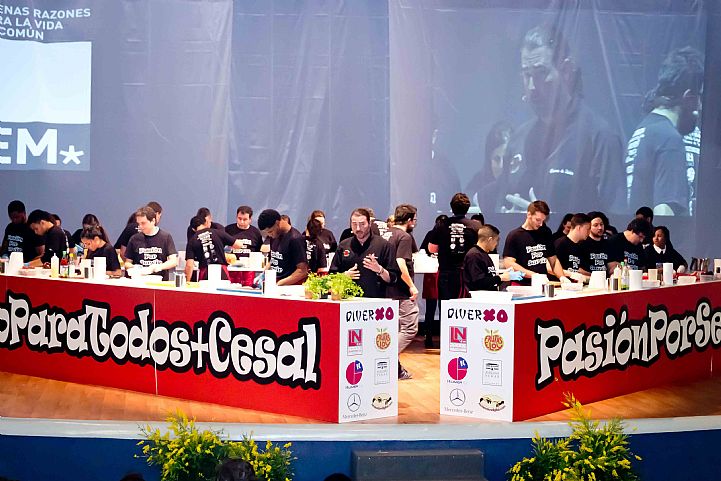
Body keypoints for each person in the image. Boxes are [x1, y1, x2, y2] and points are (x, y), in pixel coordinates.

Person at [497, 24, 626, 214]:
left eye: (541, 73)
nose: (532, 87)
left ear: (566, 71)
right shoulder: (519, 139)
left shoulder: (599, 137)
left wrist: (551, 223)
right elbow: (500, 208)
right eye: (527, 75)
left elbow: (616, 223)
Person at [626, 47, 704, 216]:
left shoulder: (643, 129)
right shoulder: (669, 139)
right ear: (688, 97)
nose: (699, 107)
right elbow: (664, 211)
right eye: (699, 97)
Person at [329, 208, 398, 298]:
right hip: (348, 301)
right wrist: (344, 276)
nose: (358, 228)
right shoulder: (343, 245)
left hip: (376, 301)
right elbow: (331, 276)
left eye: (362, 224)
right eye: (354, 224)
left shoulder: (383, 245)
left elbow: (393, 279)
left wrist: (380, 270)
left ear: (369, 224)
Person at [385, 204, 419, 380]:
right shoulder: (404, 236)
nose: (415, 223)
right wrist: (411, 285)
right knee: (410, 327)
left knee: (392, 329)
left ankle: (394, 367)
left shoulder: (386, 233)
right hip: (400, 289)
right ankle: (386, 357)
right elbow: (400, 262)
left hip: (386, 287)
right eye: (414, 219)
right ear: (409, 220)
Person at [502, 200, 568, 284]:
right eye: (538, 220)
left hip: (542, 284)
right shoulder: (515, 236)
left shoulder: (545, 232)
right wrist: (534, 275)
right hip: (521, 285)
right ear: (529, 215)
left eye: (543, 221)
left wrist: (562, 276)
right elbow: (509, 263)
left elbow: (553, 260)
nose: (540, 224)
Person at [466, 121, 513, 213]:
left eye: (507, 159)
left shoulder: (523, 184)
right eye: (497, 159)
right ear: (489, 161)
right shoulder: (476, 186)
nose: (502, 166)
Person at [186, 215, 248, 281]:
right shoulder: (218, 233)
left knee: (205, 288)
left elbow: (189, 265)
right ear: (206, 223)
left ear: (193, 229)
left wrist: (187, 281)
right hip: (222, 270)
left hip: (205, 272)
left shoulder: (192, 241)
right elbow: (239, 245)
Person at [124, 206, 178, 281]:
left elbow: (173, 261)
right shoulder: (134, 239)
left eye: (143, 223)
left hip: (160, 281)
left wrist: (159, 267)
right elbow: (127, 263)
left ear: (153, 221)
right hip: (140, 281)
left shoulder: (165, 237)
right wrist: (135, 267)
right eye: (139, 224)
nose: (140, 226)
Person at [463, 224, 523, 291]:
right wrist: (500, 278)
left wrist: (505, 276)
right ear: (490, 239)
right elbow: (478, 282)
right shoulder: (474, 255)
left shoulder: (484, 254)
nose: (497, 244)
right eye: (496, 240)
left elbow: (490, 280)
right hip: (479, 296)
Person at [257, 209, 308, 285]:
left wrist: (280, 284)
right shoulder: (275, 235)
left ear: (277, 223)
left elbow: (302, 271)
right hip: (276, 281)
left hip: (290, 286)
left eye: (270, 231)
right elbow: (274, 258)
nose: (269, 235)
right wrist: (264, 273)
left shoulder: (295, 239)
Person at [419, 214, 446, 348]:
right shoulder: (443, 234)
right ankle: (439, 337)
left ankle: (429, 337)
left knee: (432, 308)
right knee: (440, 307)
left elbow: (422, 251)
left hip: (434, 273)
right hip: (438, 273)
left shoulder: (431, 234)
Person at [554, 213, 592, 281]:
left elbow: (578, 269)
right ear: (579, 228)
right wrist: (570, 274)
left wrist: (592, 276)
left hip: (575, 284)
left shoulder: (581, 246)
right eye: (588, 229)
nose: (589, 232)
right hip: (560, 283)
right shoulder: (560, 243)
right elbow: (550, 266)